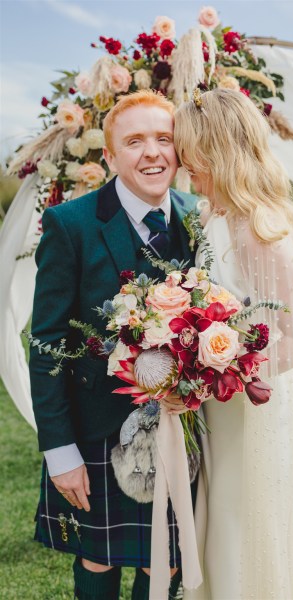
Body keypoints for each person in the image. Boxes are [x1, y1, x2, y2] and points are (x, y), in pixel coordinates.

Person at [29, 89, 197, 600]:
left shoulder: (199, 217)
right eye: (134, 141)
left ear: (179, 148)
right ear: (109, 156)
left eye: (163, 138)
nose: (151, 152)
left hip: (177, 427)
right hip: (93, 430)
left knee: (164, 561)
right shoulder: (71, 224)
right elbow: (47, 342)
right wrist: (60, 451)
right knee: (98, 557)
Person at [174, 88, 293, 599]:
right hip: (219, 411)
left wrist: (226, 374)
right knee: (219, 521)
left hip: (250, 410)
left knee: (242, 528)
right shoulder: (211, 217)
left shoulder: (260, 228)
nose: (182, 164)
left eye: (190, 152)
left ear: (219, 150)